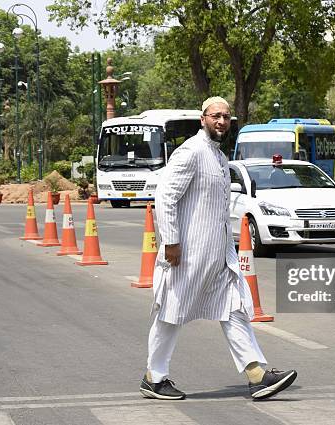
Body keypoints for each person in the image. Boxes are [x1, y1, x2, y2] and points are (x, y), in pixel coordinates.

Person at [140, 97, 297, 401]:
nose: (222, 121)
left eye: (226, 116)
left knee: (234, 309)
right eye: (216, 116)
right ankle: (154, 378)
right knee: (171, 313)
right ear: (203, 119)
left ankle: (256, 375)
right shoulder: (192, 152)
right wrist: (171, 241)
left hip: (217, 257)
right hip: (187, 255)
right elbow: (166, 197)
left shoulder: (219, 158)